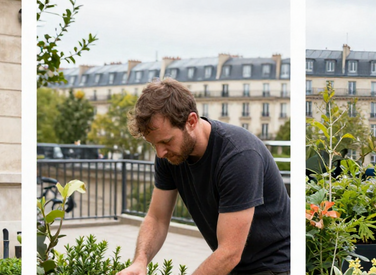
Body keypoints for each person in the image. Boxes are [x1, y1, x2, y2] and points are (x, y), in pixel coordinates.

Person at [117, 78, 290, 275]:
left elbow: (229, 253)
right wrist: (140, 261)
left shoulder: (238, 156)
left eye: (166, 141)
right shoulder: (169, 155)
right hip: (234, 265)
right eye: (153, 144)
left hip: (278, 265)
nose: (160, 153)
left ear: (191, 121)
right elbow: (157, 218)